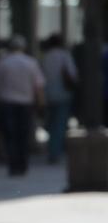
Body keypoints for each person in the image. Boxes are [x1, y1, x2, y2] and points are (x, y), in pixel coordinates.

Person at [0, 35, 46, 176]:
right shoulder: (31, 63)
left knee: (9, 135)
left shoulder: (2, 63)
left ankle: (13, 164)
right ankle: (23, 164)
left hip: (6, 104)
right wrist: (41, 104)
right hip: (26, 104)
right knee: (23, 135)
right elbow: (38, 87)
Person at [39, 34, 77, 165]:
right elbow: (72, 74)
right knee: (59, 123)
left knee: (51, 123)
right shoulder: (64, 56)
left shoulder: (46, 57)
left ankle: (53, 149)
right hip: (63, 93)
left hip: (47, 94)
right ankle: (55, 151)